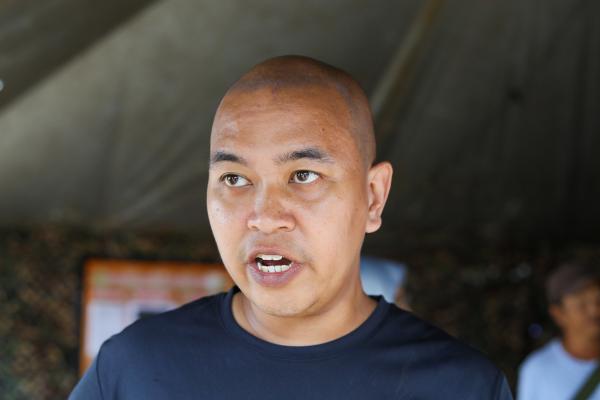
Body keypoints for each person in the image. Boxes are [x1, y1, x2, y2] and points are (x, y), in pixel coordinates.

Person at [70, 55, 512, 399]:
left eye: (303, 176)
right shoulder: (133, 370)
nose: (264, 216)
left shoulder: (460, 388)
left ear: (373, 197)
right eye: (234, 179)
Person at [518, 263, 600, 400]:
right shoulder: (538, 370)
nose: (595, 311)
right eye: (582, 304)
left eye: (598, 300)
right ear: (558, 313)